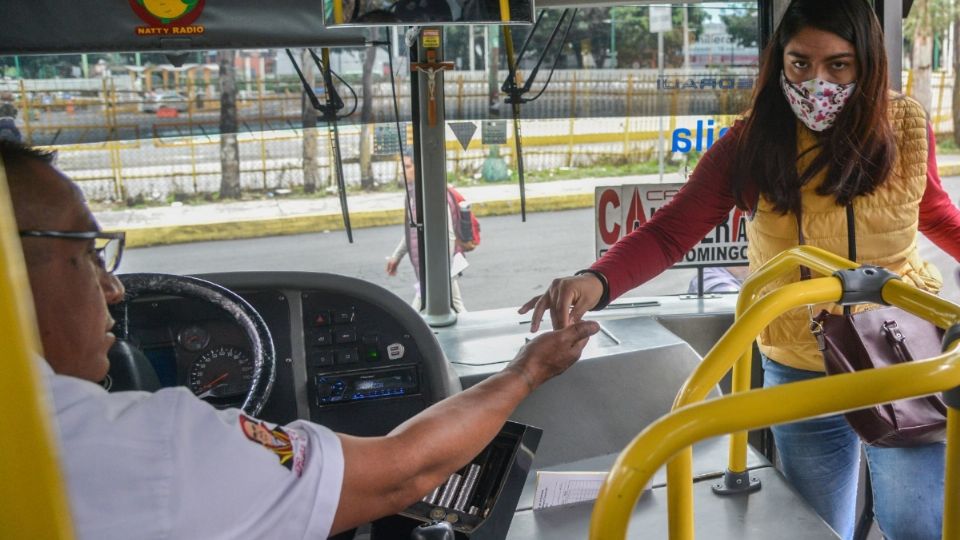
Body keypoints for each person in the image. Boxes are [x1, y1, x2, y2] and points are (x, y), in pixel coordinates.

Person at [2, 139, 600, 539]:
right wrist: (526, 372)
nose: (113, 289)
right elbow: (401, 472)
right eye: (86, 253)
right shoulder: (154, 445)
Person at [520, 1, 960, 539]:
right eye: (800, 64)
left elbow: (932, 210)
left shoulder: (906, 129)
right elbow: (670, 231)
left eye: (838, 66)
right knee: (815, 526)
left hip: (899, 354)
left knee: (919, 524)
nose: (816, 83)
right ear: (780, 62)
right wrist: (597, 280)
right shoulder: (751, 144)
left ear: (868, 65)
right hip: (801, 358)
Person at [386, 149, 467, 312]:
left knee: (415, 313)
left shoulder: (432, 194)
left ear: (419, 167)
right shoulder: (414, 193)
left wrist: (443, 268)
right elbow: (412, 230)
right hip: (434, 265)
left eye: (407, 166)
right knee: (457, 305)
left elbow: (449, 234)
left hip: (438, 266)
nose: (403, 171)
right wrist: (396, 256)